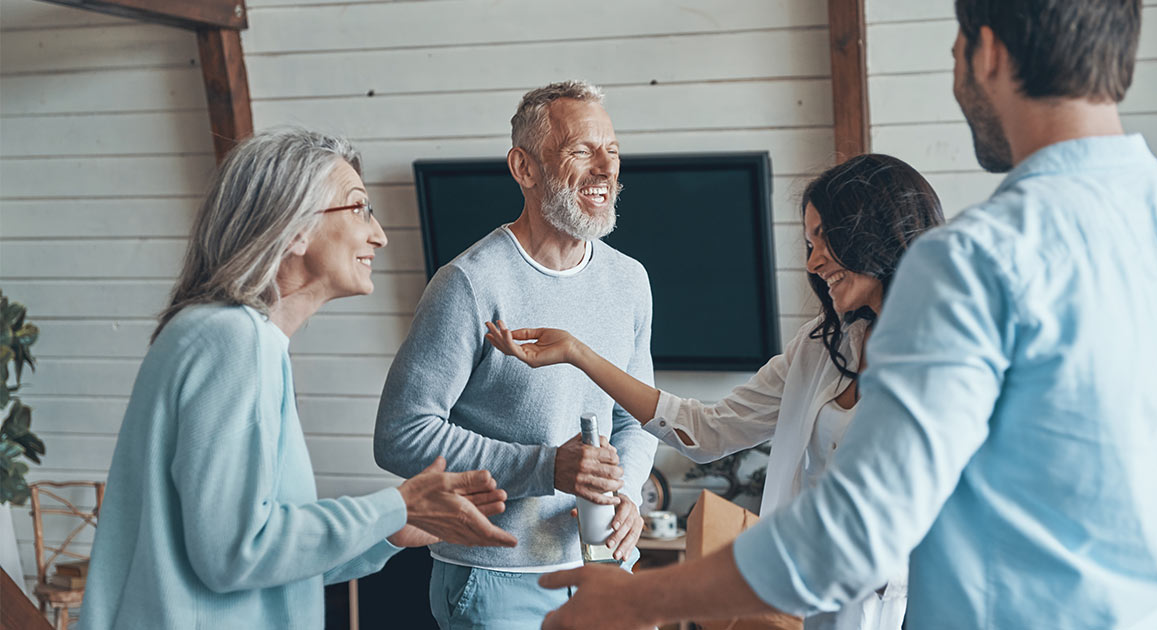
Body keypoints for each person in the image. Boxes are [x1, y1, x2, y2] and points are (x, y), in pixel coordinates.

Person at [532, 1, 1157, 628]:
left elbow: (854, 534)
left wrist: (636, 599)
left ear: (989, 52)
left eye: (955, 50)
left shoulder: (973, 262)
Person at [78, 129, 518, 630]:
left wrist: (394, 527)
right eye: (359, 208)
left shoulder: (225, 335)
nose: (378, 234)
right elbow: (234, 554)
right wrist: (396, 505)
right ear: (294, 229)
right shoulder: (233, 339)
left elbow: (260, 560)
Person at [486, 153, 943, 630]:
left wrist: (646, 598)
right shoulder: (820, 347)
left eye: (825, 239)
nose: (813, 261)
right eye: (809, 244)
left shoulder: (945, 366)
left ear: (874, 231)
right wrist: (579, 354)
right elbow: (707, 432)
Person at [373, 80, 658, 628]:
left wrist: (625, 493)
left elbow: (636, 418)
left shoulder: (630, 280)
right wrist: (546, 467)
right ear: (524, 168)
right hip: (495, 580)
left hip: (605, 570)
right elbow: (401, 434)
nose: (605, 169)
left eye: (612, 151)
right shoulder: (468, 284)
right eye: (581, 151)